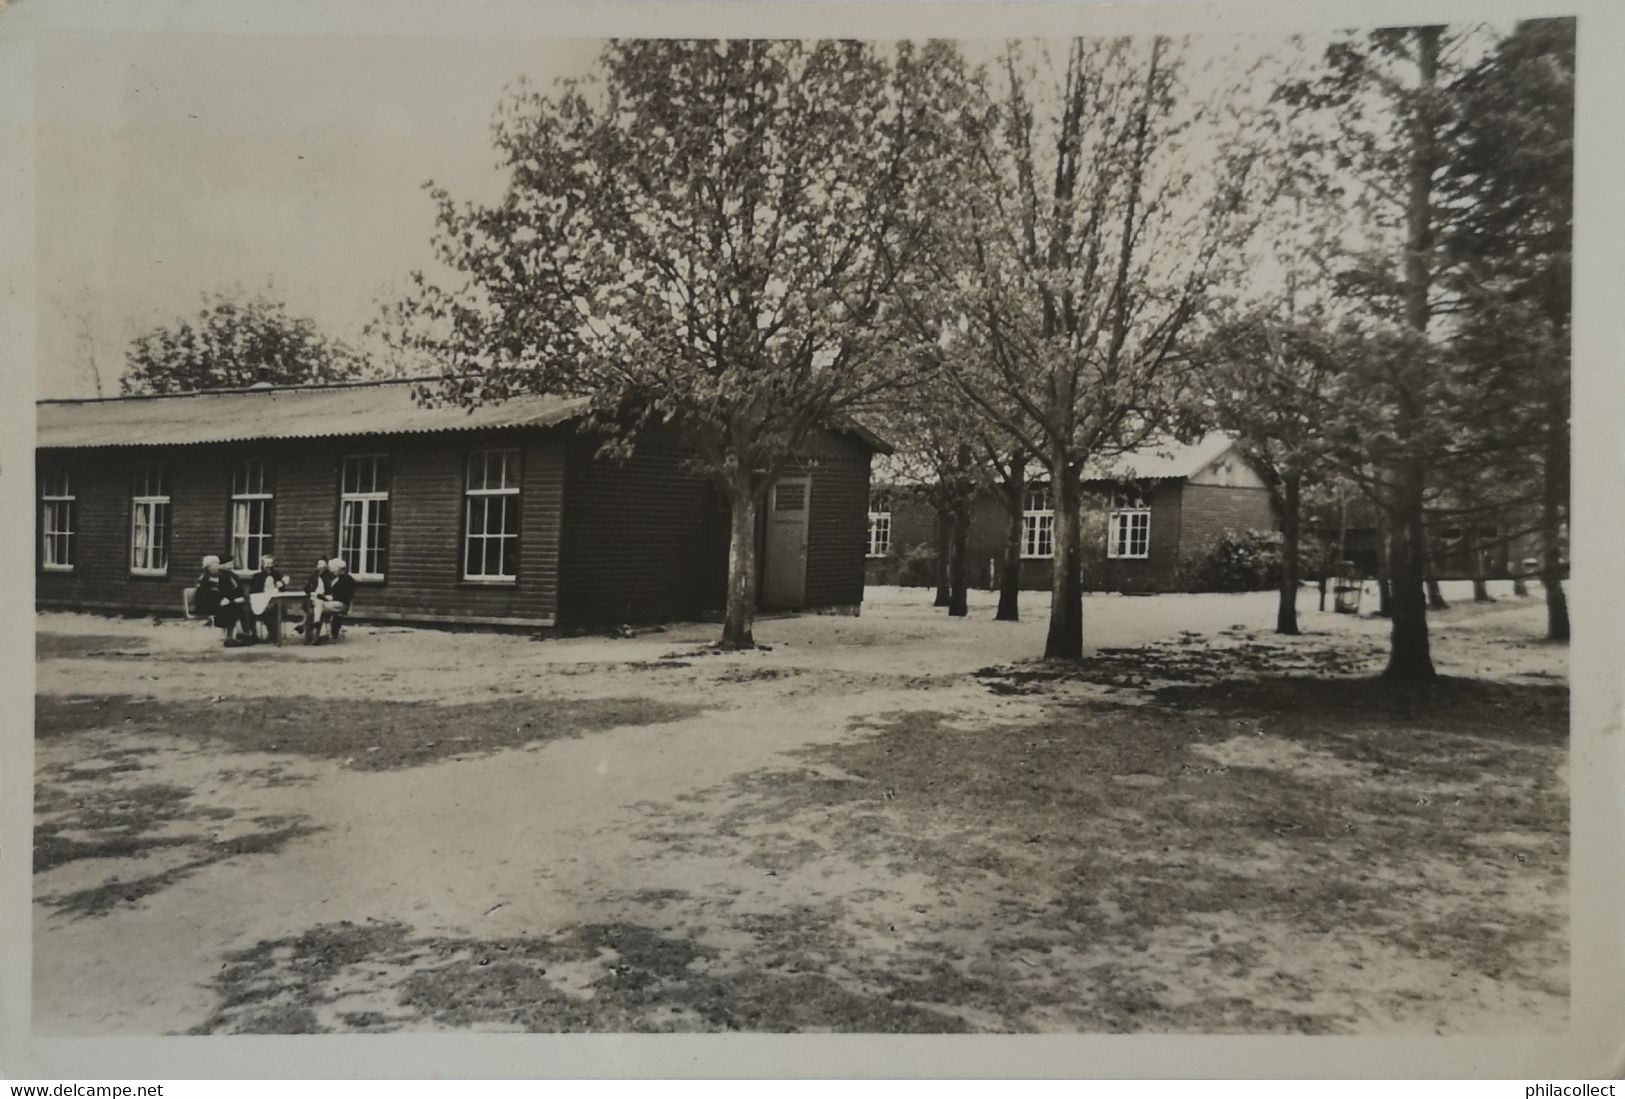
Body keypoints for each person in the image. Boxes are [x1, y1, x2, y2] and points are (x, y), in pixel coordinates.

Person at [196, 554, 254, 647]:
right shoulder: (206, 577)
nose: (217, 566)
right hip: (207, 604)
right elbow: (207, 593)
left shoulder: (222, 576)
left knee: (240, 606)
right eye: (215, 564)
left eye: (218, 564)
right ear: (209, 566)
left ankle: (245, 633)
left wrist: (234, 598)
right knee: (232, 607)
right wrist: (221, 599)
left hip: (219, 601)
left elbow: (227, 591)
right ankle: (232, 636)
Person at [248, 554, 289, 639]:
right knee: (250, 610)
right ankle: (254, 635)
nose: (268, 566)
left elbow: (283, 590)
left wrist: (281, 585)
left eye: (270, 564)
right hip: (261, 601)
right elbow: (253, 592)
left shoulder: (277, 575)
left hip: (275, 602)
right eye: (267, 564)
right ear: (262, 564)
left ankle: (273, 635)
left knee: (273, 609)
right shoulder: (257, 576)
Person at [296, 557, 333, 640]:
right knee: (310, 603)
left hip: (324, 597)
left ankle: (303, 625)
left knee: (315, 603)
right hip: (314, 596)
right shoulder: (314, 575)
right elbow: (307, 587)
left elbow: (329, 588)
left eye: (322, 564)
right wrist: (309, 591)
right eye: (319, 564)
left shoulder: (329, 575)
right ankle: (309, 628)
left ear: (326, 565)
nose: (320, 566)